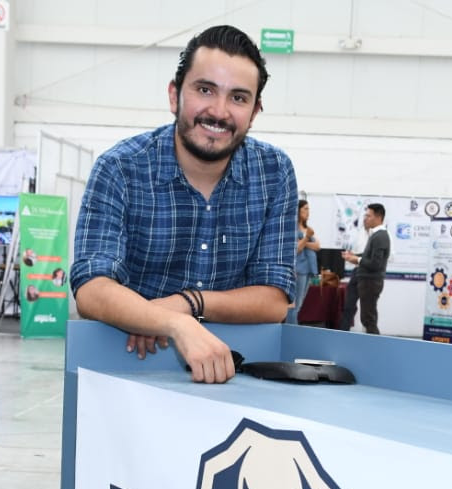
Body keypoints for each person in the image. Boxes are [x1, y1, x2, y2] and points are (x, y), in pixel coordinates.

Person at [70, 25, 297, 384]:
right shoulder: (120, 168)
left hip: (236, 377)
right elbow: (92, 289)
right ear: (174, 95)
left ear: (254, 112)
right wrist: (174, 324)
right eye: (205, 90)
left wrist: (188, 303)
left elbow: (274, 300)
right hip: (124, 369)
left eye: (238, 98)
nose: (219, 111)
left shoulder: (274, 172)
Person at [340, 203, 390, 334]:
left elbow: (375, 263)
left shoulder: (380, 236)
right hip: (366, 279)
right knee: (366, 317)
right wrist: (354, 256)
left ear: (378, 217)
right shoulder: (376, 235)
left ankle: (375, 344)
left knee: (368, 319)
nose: (365, 218)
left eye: (368, 216)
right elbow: (370, 256)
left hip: (370, 281)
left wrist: (356, 259)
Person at [291, 199, 320, 323]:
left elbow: (317, 246)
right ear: (298, 210)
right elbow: (296, 249)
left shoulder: (307, 228)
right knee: (295, 304)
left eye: (309, 209)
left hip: (309, 269)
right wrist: (307, 238)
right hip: (298, 270)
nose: (308, 212)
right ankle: (291, 329)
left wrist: (304, 242)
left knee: (300, 304)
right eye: (305, 209)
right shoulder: (293, 228)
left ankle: (293, 327)